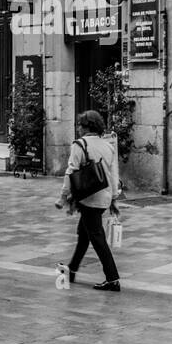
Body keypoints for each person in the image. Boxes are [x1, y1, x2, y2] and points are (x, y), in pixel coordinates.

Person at [56, 110, 121, 292]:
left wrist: (63, 197)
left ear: (86, 127)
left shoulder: (80, 145)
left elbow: (71, 172)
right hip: (104, 198)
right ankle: (72, 269)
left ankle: (112, 278)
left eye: (80, 125)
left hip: (88, 199)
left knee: (97, 238)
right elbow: (113, 174)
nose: (78, 128)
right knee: (84, 235)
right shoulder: (108, 146)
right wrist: (114, 198)